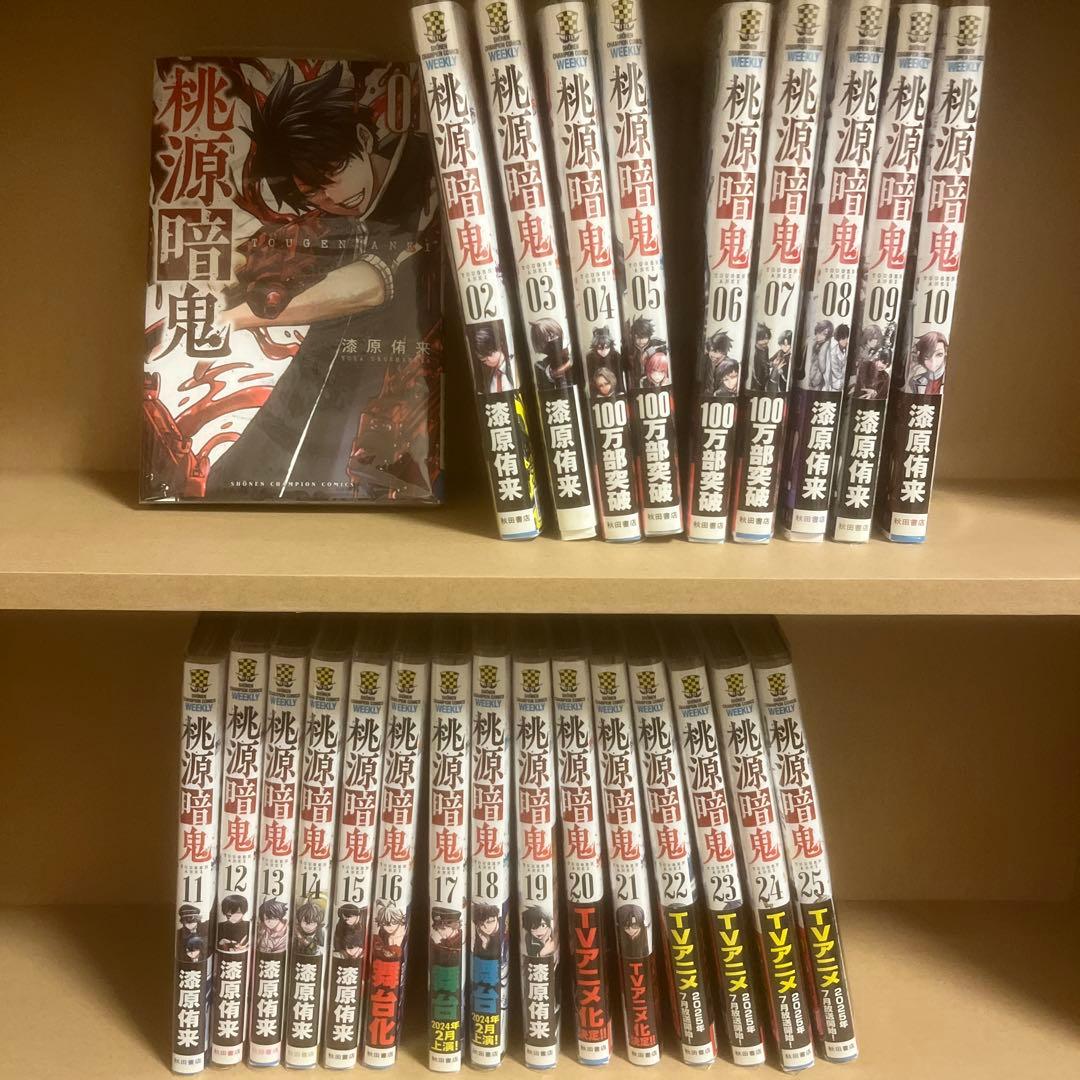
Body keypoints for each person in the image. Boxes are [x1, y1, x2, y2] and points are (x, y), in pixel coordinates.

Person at [205, 62, 441, 497]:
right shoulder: (339, 213)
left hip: (397, 387)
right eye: (313, 192)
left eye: (337, 170)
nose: (334, 195)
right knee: (238, 477)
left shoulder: (425, 172)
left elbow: (373, 283)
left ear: (364, 140)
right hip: (329, 373)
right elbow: (299, 246)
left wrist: (231, 317)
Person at [530, 319, 573, 390]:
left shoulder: (566, 357)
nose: (555, 339)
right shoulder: (540, 365)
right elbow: (552, 373)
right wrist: (570, 362)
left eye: (556, 335)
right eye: (550, 337)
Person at [471, 325, 515, 394]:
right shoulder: (490, 375)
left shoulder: (514, 366)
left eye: (490, 354)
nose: (488, 360)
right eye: (484, 360)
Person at [852, 324, 890, 400]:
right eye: (874, 338)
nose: (876, 341)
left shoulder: (870, 351)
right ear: (867, 338)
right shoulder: (861, 351)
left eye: (877, 339)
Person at [806, 319, 844, 391]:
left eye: (824, 334)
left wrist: (815, 381)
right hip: (813, 379)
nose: (819, 336)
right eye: (818, 333)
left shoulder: (826, 346)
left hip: (818, 381)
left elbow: (822, 368)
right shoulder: (816, 344)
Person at [702, 331, 737, 397]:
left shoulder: (730, 365)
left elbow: (729, 387)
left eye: (718, 352)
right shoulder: (706, 361)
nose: (714, 355)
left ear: (725, 352)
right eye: (712, 351)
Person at [626, 317, 657, 385]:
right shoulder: (630, 348)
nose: (641, 341)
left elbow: (665, 347)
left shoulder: (654, 343)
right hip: (636, 381)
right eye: (637, 338)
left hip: (652, 380)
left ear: (649, 336)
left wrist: (648, 352)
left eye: (644, 338)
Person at [762, 330, 792, 395]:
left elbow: (789, 378)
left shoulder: (791, 356)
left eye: (786, 345)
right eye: (781, 345)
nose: (783, 347)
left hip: (782, 383)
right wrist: (772, 364)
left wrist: (781, 372)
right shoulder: (780, 352)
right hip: (773, 379)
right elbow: (769, 362)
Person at [750, 323, 773, 391]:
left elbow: (766, 362)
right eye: (763, 339)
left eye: (767, 338)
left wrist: (770, 364)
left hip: (765, 379)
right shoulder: (753, 351)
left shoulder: (766, 348)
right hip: (756, 383)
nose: (766, 341)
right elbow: (753, 370)